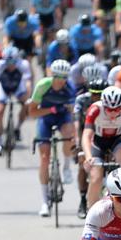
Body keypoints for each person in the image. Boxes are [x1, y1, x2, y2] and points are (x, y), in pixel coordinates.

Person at [29, 59, 77, 217]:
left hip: (62, 118)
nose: (61, 81)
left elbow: (72, 114)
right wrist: (50, 109)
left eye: (64, 78)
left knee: (70, 132)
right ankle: (44, 201)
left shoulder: (70, 88)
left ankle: (67, 167)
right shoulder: (43, 85)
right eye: (58, 77)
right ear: (52, 75)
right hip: (45, 117)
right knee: (44, 158)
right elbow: (32, 112)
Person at [82, 85, 121, 207]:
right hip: (98, 141)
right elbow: (86, 135)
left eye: (116, 110)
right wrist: (88, 157)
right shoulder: (95, 109)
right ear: (104, 105)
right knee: (96, 177)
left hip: (117, 141)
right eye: (109, 110)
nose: (113, 113)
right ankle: (91, 211)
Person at [0, 46, 32, 156]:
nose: (10, 64)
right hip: (3, 86)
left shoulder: (23, 64)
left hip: (18, 85)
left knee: (26, 104)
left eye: (13, 61)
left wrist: (28, 97)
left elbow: (28, 83)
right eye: (7, 61)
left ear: (17, 59)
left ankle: (17, 127)